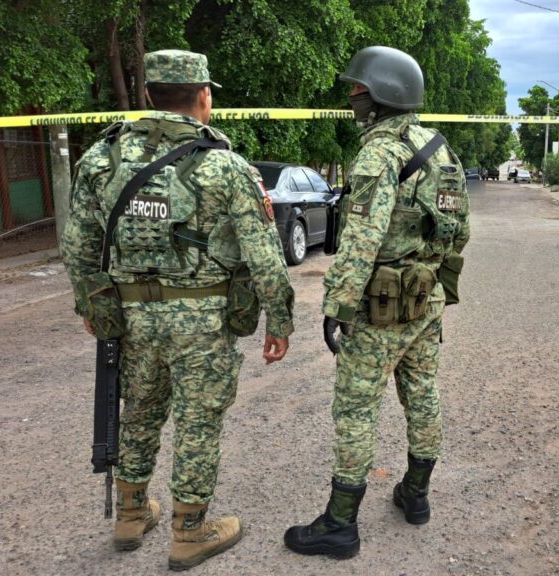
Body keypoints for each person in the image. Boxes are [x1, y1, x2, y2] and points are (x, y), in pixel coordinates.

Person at [61, 49, 295, 571]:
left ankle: (130, 514)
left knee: (139, 412)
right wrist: (279, 321)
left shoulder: (101, 160)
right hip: (203, 323)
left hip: (131, 318)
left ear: (148, 96)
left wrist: (91, 305)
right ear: (204, 96)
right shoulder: (227, 167)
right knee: (197, 422)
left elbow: (77, 246)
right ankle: (190, 533)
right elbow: (264, 254)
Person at [284, 46, 470, 560]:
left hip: (378, 310)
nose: (351, 97)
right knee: (423, 394)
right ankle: (416, 495)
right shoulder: (442, 150)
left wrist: (338, 306)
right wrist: (437, 291)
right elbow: (460, 231)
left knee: (356, 408)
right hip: (424, 304)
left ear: (381, 94)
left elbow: (362, 238)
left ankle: (340, 525)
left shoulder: (379, 152)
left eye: (357, 89)